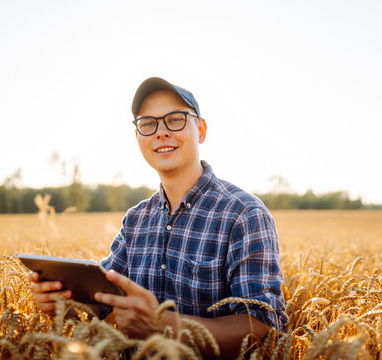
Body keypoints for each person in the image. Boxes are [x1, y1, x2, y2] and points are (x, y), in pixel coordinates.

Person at [28, 77, 288, 359]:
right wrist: (63, 306)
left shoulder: (243, 213)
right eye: (148, 123)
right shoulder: (136, 220)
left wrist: (163, 325)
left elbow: (263, 327)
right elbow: (104, 303)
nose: (161, 132)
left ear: (200, 129)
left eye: (175, 120)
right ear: (138, 136)